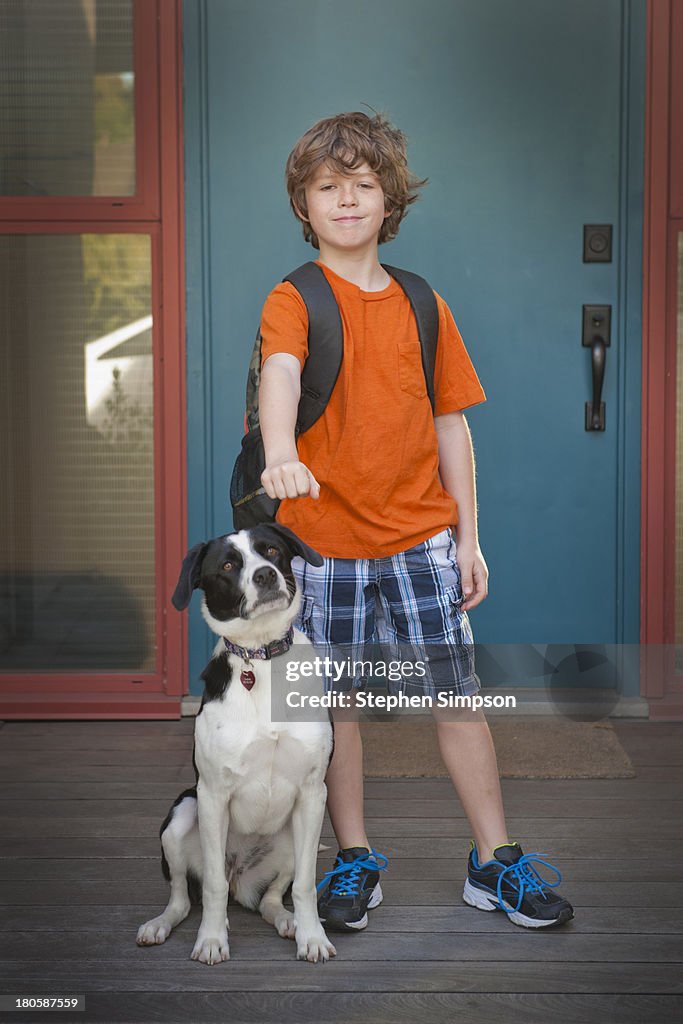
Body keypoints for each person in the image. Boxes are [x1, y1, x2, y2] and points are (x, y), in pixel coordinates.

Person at [257, 111, 573, 933]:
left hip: (422, 542)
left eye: (363, 185)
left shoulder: (422, 303)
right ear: (304, 202)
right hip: (323, 547)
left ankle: (493, 863)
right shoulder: (294, 298)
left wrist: (469, 539)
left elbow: (449, 427)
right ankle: (354, 857)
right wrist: (281, 451)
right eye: (329, 187)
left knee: (457, 699)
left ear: (389, 199)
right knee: (339, 710)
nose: (347, 200)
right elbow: (282, 373)